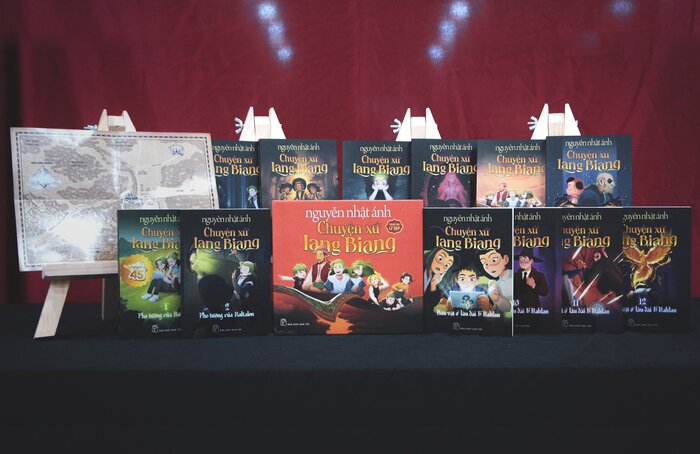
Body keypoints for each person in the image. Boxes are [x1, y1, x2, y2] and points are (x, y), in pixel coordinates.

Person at [478, 246, 512, 313]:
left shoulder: (512, 274)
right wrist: (498, 300)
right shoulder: (498, 283)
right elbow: (507, 309)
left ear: (505, 259)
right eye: (485, 264)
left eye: (494, 260)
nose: (490, 267)